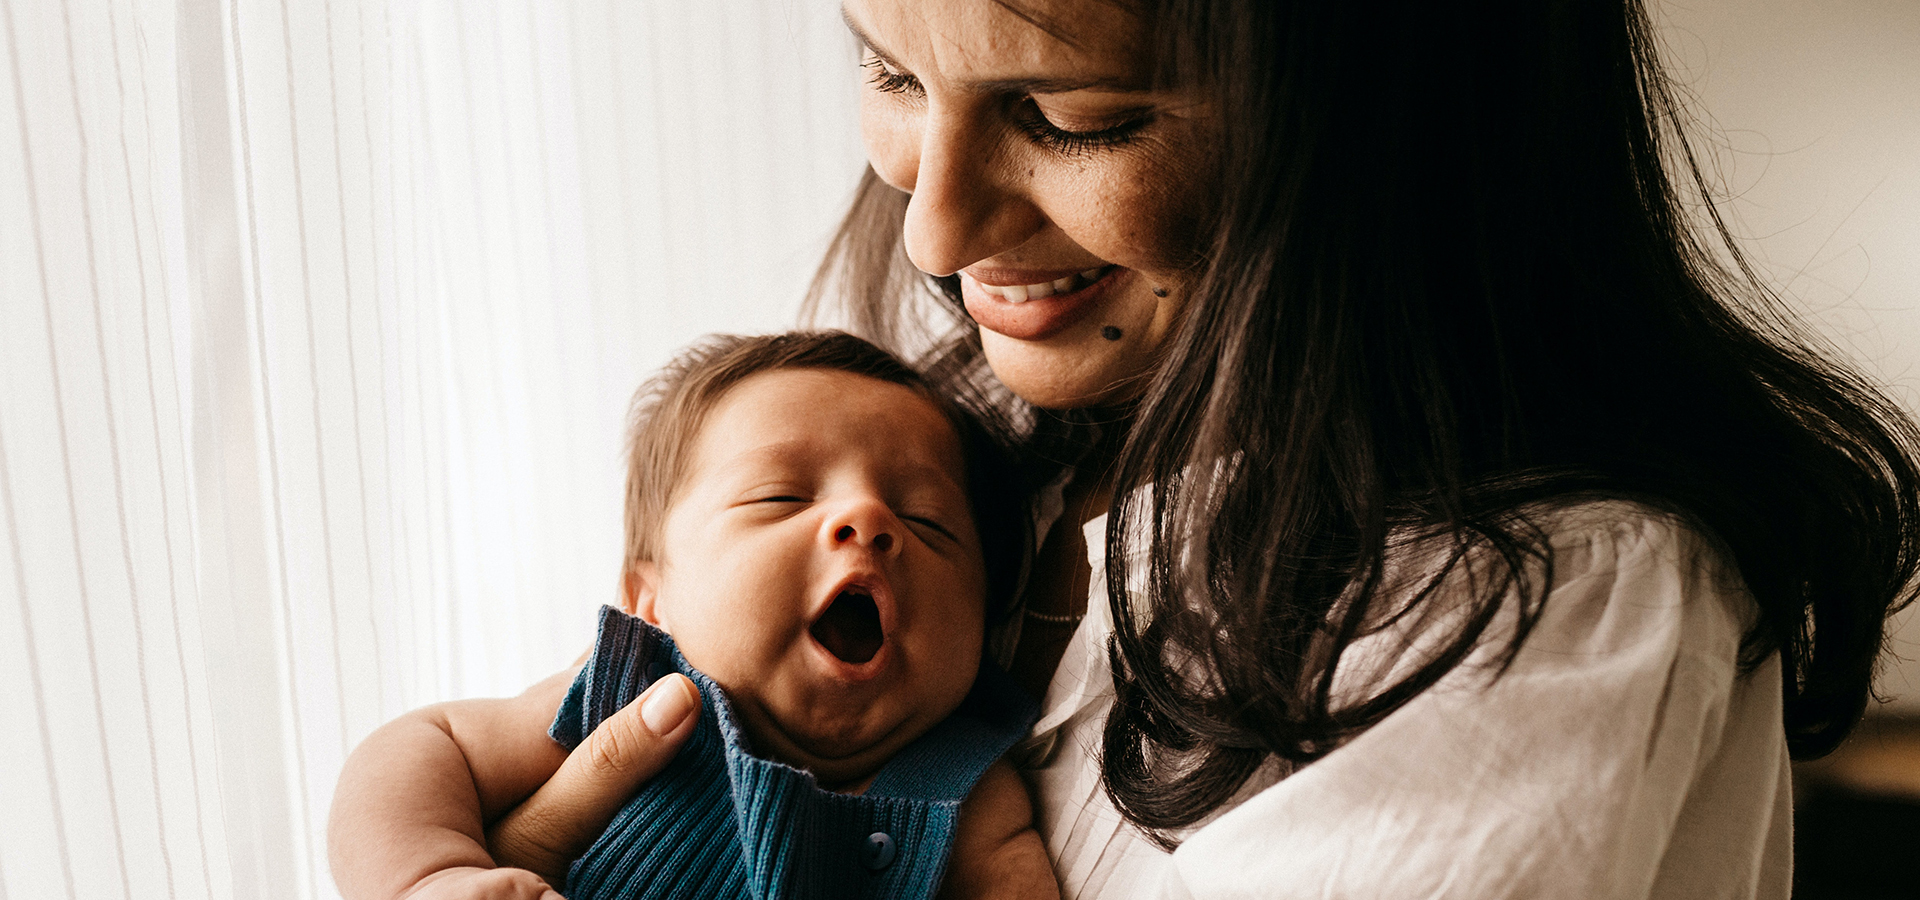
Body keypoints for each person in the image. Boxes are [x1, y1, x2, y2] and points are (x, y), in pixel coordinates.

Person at [480, 0, 1920, 897]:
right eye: (890, 69)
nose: (933, 232)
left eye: (1075, 115)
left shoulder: (1535, 614)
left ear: (1383, 131)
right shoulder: (975, 452)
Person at [328, 332, 1058, 900]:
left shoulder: (974, 790)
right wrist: (434, 875)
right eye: (780, 497)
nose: (866, 519)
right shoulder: (634, 698)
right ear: (652, 602)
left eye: (928, 521)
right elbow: (426, 745)